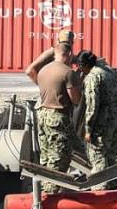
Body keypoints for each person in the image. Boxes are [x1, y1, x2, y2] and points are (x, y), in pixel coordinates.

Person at [75, 50, 117, 187]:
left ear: (84, 65)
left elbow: (92, 106)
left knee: (98, 156)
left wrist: (88, 130)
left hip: (104, 124)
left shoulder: (93, 77)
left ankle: (100, 189)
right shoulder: (109, 71)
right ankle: (113, 186)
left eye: (80, 67)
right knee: (110, 156)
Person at [35, 43, 82, 193]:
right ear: (69, 54)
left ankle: (42, 189)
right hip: (58, 117)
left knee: (46, 156)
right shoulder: (68, 72)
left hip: (42, 115)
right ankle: (51, 192)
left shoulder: (43, 70)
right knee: (59, 157)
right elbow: (75, 99)